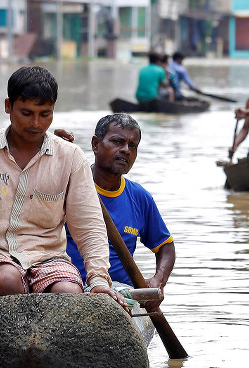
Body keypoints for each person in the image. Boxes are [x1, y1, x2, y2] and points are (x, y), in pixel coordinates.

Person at [0, 66, 128, 318]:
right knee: (7, 280)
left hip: (50, 258)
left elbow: (89, 226)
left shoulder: (70, 157)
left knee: (68, 292)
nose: (36, 123)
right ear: (8, 106)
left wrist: (98, 281)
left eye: (45, 114)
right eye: (27, 113)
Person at [64, 114, 175, 312]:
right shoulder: (68, 186)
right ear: (96, 144)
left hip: (121, 293)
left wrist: (159, 280)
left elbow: (165, 246)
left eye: (133, 146)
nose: (125, 150)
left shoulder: (140, 197)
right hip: (68, 286)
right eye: (117, 142)